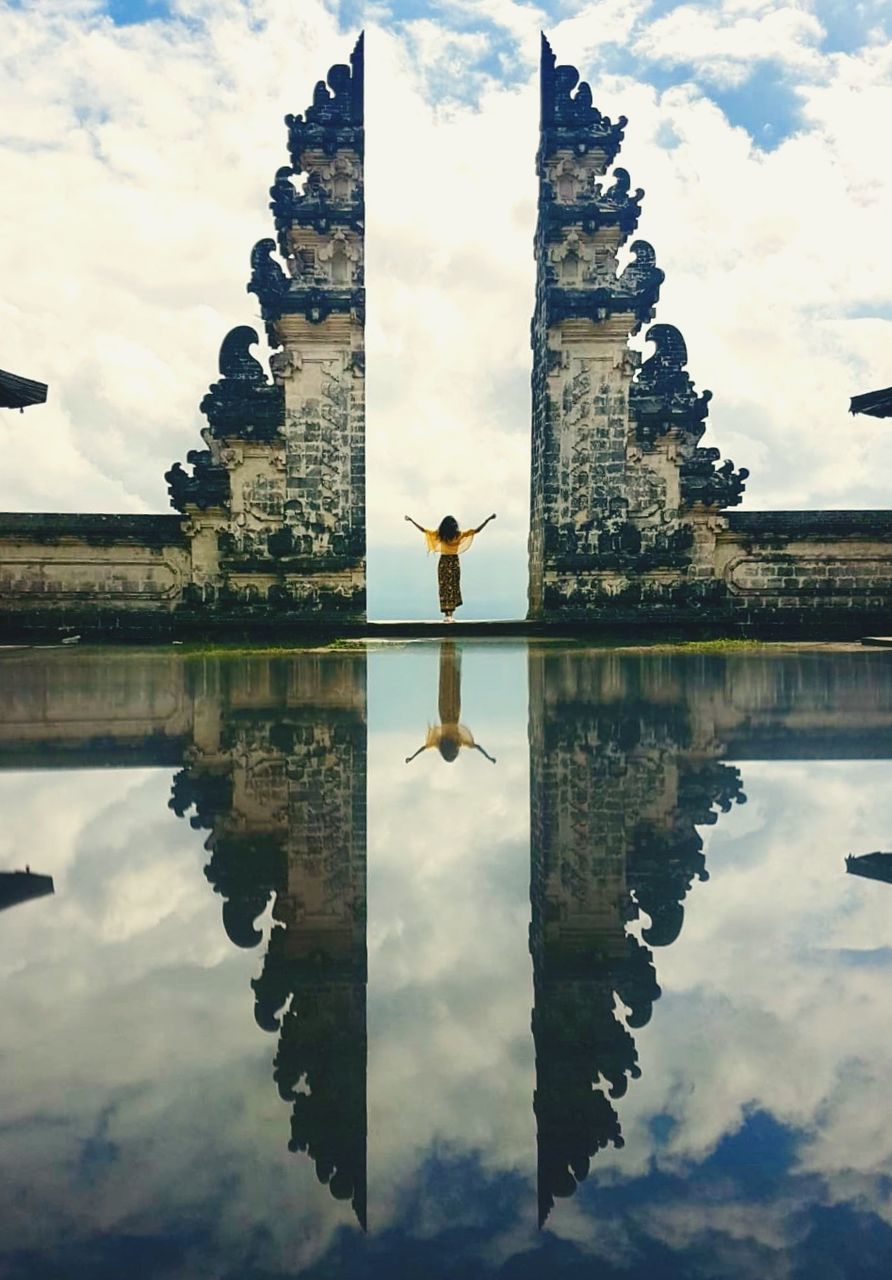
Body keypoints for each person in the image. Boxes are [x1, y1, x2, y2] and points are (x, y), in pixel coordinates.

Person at [405, 641, 496, 765]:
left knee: (449, 682)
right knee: (450, 682)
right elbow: (477, 747)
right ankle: (450, 651)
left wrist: (412, 757)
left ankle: (450, 651)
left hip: (450, 711)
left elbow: (476, 746)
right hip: (450, 711)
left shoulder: (444, 741)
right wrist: (488, 757)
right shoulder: (450, 741)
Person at [404, 511, 496, 621]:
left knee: (444, 588)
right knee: (452, 587)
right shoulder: (457, 535)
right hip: (454, 562)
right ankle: (450, 615)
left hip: (444, 562)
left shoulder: (441, 535)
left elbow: (424, 530)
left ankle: (447, 615)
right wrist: (488, 519)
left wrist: (412, 521)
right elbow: (477, 530)